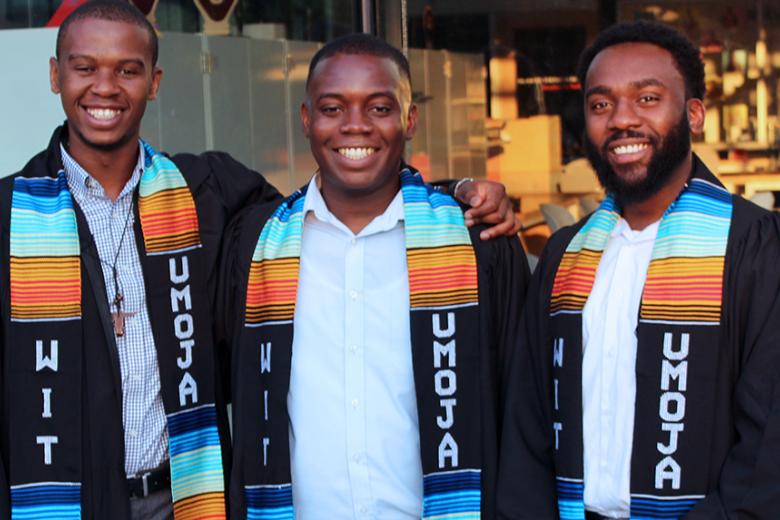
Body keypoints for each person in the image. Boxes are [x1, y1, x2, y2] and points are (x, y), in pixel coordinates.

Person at [0, 2, 517, 518]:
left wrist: (455, 195)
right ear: (55, 75)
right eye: (84, 67)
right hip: (62, 496)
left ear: (154, 83)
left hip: (184, 499)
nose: (105, 88)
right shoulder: (10, 218)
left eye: (127, 70)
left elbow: (346, 191)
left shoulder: (207, 196)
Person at [218, 34, 530, 519]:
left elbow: (520, 411)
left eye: (379, 108)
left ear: (409, 121)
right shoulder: (257, 244)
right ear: (307, 121)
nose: (355, 126)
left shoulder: (474, 243)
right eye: (333, 108)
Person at [497, 21, 780, 519]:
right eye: (601, 104)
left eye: (647, 99)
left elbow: (767, 450)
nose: (621, 120)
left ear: (694, 113)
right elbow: (528, 425)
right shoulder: (566, 255)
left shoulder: (755, 249)